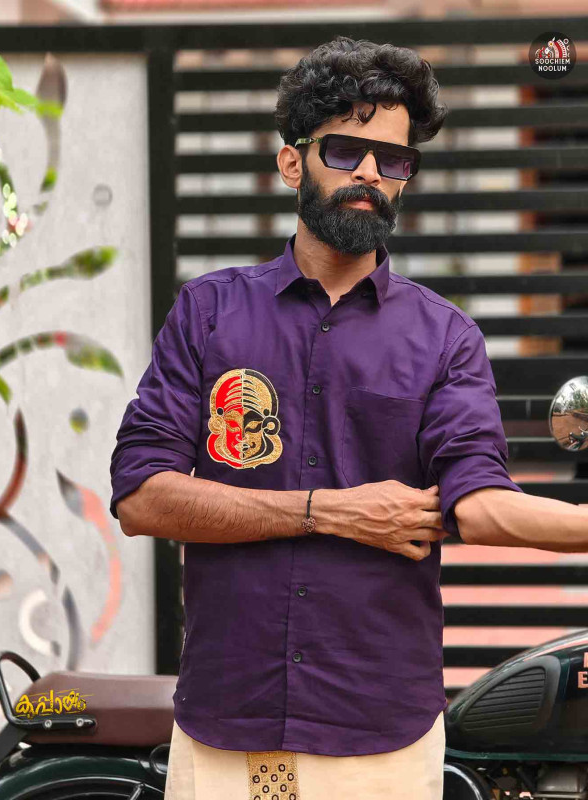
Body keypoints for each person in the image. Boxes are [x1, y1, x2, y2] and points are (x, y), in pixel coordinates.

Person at [109, 35, 588, 800]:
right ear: (291, 162)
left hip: (380, 728)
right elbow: (141, 497)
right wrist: (328, 512)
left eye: (392, 160)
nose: (369, 172)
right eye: (344, 150)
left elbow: (479, 503)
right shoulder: (209, 313)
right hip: (232, 717)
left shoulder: (444, 338)